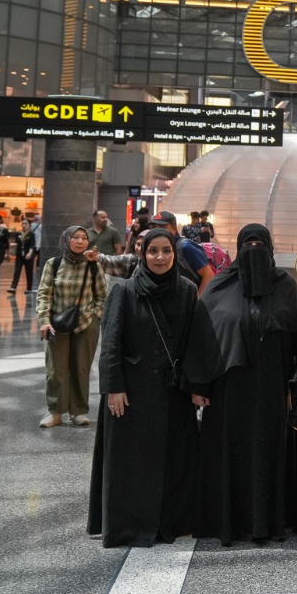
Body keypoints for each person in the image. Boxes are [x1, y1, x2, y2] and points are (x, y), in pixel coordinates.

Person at [87, 228, 216, 547]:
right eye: (153, 251)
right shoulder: (125, 291)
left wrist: (197, 385)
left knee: (174, 459)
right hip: (132, 393)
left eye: (166, 251)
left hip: (173, 391)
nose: (160, 257)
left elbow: (195, 339)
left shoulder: (186, 289)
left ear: (174, 254)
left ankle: (172, 521)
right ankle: (131, 524)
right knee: (132, 461)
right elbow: (111, 342)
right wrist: (113, 387)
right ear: (142, 254)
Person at [197, 223, 297, 545]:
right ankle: (229, 521)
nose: (254, 250)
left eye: (260, 245)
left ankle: (267, 522)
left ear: (270, 248)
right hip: (229, 389)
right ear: (238, 248)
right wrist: (199, 385)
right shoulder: (221, 285)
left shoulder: (285, 287)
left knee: (267, 452)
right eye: (248, 245)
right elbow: (202, 337)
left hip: (271, 387)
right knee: (231, 454)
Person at [35, 226, 108, 429]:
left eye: (84, 238)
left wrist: (94, 316)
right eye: (75, 237)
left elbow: (103, 295)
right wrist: (44, 320)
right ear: (66, 240)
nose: (80, 241)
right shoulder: (54, 264)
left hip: (85, 324)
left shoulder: (93, 265)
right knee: (55, 370)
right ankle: (55, 412)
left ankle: (78, 411)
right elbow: (44, 293)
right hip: (56, 325)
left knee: (81, 369)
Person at [156, 212, 214, 292]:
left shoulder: (185, 247)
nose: (158, 231)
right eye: (155, 228)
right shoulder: (158, 249)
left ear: (174, 229)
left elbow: (208, 275)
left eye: (163, 227)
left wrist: (197, 299)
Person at [9, 217, 37, 293]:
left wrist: (30, 253)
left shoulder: (31, 234)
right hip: (19, 255)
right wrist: (13, 247)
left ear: (29, 225)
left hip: (28, 255)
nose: (24, 225)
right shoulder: (19, 234)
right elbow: (17, 243)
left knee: (29, 272)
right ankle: (13, 287)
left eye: (26, 224)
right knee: (17, 271)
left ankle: (29, 288)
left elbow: (32, 245)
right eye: (23, 224)